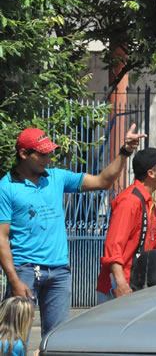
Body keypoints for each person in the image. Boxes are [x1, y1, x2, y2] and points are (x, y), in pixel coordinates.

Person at [0, 124, 145, 336]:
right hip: (25, 271)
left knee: (56, 338)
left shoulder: (56, 177)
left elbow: (103, 181)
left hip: (59, 272)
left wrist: (125, 151)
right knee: (14, 338)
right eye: (42, 154)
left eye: (50, 153)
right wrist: (14, 279)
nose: (48, 159)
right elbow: (2, 238)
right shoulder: (6, 187)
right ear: (23, 154)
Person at [96, 148, 156, 301]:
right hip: (119, 288)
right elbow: (113, 246)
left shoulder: (146, 201)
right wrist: (120, 283)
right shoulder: (130, 201)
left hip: (134, 284)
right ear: (151, 173)